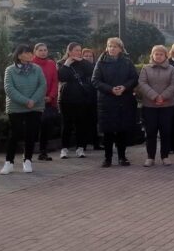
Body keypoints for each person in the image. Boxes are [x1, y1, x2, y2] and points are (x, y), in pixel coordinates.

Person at [92, 37, 139, 167]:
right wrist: (110, 89)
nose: (112, 49)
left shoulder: (127, 62)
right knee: (108, 132)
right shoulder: (100, 63)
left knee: (122, 131)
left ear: (120, 49)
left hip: (124, 100)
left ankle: (122, 157)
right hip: (107, 101)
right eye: (110, 46)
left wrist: (124, 87)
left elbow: (134, 78)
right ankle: (107, 158)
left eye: (115, 46)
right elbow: (95, 81)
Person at [0, 44, 46, 175]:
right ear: (19, 55)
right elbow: (9, 89)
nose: (31, 55)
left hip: (35, 107)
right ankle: (9, 162)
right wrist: (26, 101)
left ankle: (28, 160)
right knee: (15, 134)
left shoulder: (37, 69)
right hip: (16, 107)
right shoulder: (10, 70)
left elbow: (42, 85)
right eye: (27, 53)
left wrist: (33, 100)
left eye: (31, 52)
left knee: (31, 134)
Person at [137, 45, 174, 167]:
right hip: (150, 105)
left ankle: (165, 156)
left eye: (161, 54)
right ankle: (150, 157)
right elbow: (142, 83)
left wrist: (163, 96)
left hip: (167, 105)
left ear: (166, 56)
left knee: (165, 131)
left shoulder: (171, 69)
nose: (158, 56)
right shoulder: (146, 68)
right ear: (152, 55)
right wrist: (155, 96)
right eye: (156, 54)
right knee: (150, 132)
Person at [57, 43, 94, 159]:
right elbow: (62, 77)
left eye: (80, 50)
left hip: (81, 98)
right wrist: (67, 64)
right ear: (69, 51)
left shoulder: (83, 63)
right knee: (66, 124)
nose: (78, 52)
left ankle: (80, 148)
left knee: (81, 124)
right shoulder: (62, 63)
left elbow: (92, 71)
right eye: (76, 50)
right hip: (66, 98)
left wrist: (81, 60)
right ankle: (64, 149)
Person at [31, 43, 58, 162]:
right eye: (40, 50)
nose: (43, 52)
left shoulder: (51, 64)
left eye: (45, 50)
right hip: (34, 101)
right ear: (35, 52)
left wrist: (51, 96)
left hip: (48, 101)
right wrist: (39, 97)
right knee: (33, 127)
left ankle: (43, 152)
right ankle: (28, 153)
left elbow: (54, 82)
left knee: (46, 127)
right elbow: (30, 84)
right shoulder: (31, 64)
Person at [81, 47, 102, 150]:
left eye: (90, 56)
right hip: (82, 98)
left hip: (94, 98)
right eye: (86, 56)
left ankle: (96, 143)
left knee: (94, 121)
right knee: (83, 122)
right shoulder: (79, 68)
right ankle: (83, 145)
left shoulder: (97, 67)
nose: (88, 58)